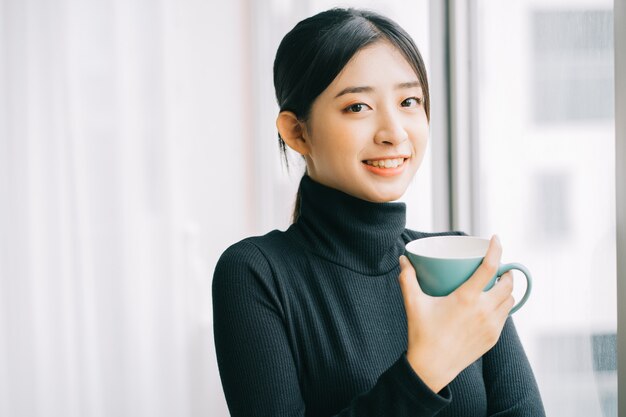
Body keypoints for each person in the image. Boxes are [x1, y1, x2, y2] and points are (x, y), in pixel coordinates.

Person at [212, 7, 545, 416]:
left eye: (409, 101)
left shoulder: (460, 260)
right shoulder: (256, 274)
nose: (394, 133)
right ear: (297, 132)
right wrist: (425, 370)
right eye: (358, 107)